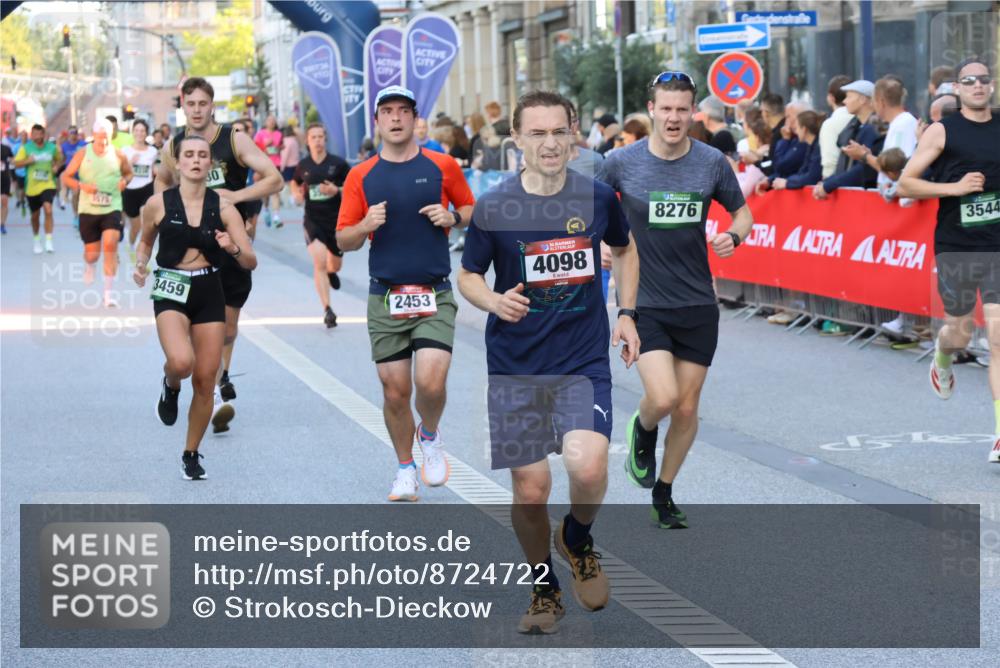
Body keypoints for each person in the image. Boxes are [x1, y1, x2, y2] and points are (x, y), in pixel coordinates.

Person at [457, 90, 640, 635]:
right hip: (516, 363)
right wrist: (493, 301)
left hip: (582, 359)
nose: (550, 143)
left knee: (588, 467)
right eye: (536, 133)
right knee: (532, 490)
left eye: (558, 131)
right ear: (516, 138)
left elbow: (625, 249)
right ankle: (544, 589)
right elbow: (468, 274)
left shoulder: (598, 197)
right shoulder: (494, 206)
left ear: (573, 132)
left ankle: (577, 538)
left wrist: (627, 313)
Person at [598, 71, 754, 528]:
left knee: (687, 407)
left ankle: (664, 492)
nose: (673, 117)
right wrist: (599, 243)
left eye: (682, 109)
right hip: (643, 300)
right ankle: (644, 426)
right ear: (651, 110)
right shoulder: (620, 162)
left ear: (693, 113)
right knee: (664, 397)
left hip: (697, 302)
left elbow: (743, 214)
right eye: (665, 108)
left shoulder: (710, 162)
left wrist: (733, 237)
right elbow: (586, 211)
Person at [336, 85, 475, 501]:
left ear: (415, 118)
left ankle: (428, 435)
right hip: (386, 296)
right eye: (387, 111)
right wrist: (365, 226)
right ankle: (404, 469)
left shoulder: (441, 165)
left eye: (403, 111)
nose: (395, 118)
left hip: (434, 292)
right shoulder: (361, 175)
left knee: (430, 383)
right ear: (377, 121)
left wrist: (452, 216)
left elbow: (471, 210)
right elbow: (343, 239)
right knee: (395, 392)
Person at [155, 77, 283, 429]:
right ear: (183, 106)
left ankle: (219, 376)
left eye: (203, 103)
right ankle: (209, 396)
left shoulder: (233, 139)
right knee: (199, 328)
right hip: (189, 249)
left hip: (230, 243)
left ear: (212, 106)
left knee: (227, 327)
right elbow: (162, 179)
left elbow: (274, 178)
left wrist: (235, 197)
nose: (197, 110)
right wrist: (165, 212)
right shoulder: (175, 144)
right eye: (191, 104)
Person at [134, 134, 257, 480]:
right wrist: (140, 265)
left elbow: (250, 260)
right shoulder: (157, 204)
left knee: (205, 380)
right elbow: (145, 242)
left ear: (210, 163)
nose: (196, 160)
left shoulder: (225, 208)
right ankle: (171, 383)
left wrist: (231, 247)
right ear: (177, 163)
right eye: (188, 154)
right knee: (181, 362)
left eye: (203, 155)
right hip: (170, 287)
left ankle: (190, 453)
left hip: (208, 288)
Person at [897, 58, 1000, 464]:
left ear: (992, 86)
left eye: (984, 79)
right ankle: (943, 357)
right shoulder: (943, 130)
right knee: (958, 332)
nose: (978, 85)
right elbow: (906, 183)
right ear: (957, 88)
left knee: (997, 337)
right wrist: (955, 188)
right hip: (957, 245)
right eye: (969, 80)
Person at [60, 119, 133, 306]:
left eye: (107, 137)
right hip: (88, 209)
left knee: (110, 245)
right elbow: (65, 176)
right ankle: (90, 265)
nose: (104, 141)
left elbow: (129, 173)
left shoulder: (118, 154)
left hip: (112, 207)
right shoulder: (83, 153)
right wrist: (81, 186)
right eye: (100, 137)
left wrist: (124, 182)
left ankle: (108, 295)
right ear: (94, 136)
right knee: (92, 254)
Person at [290, 123, 351, 328]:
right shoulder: (304, 165)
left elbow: (354, 186)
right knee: (319, 263)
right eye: (313, 137)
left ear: (325, 139)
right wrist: (296, 193)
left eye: (320, 136)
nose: (317, 140)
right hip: (313, 220)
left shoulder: (338, 164)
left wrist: (337, 190)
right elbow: (295, 181)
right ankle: (327, 309)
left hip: (336, 220)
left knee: (334, 265)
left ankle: (332, 272)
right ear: (307, 141)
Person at [814, 80, 879, 199]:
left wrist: (828, 185)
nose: (844, 101)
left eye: (849, 97)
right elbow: (847, 167)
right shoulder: (856, 127)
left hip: (865, 198)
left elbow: (862, 169)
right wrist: (827, 183)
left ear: (862, 100)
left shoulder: (872, 129)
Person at [13, 123, 64, 254]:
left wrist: (56, 166)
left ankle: (48, 240)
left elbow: (60, 159)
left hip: (48, 184)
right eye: (33, 134)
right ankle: (36, 239)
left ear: (43, 134)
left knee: (48, 209)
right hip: (32, 187)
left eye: (38, 133)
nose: (35, 136)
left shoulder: (51, 148)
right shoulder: (26, 148)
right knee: (35, 216)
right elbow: (15, 164)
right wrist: (27, 161)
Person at [759, 110, 823, 192]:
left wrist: (787, 183)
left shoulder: (817, 147)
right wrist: (772, 180)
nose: (796, 131)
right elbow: (801, 172)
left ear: (804, 129)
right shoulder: (810, 146)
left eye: (797, 128)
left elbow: (812, 177)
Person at [121, 119, 159, 257]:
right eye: (137, 130)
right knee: (135, 226)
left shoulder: (153, 151)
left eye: (142, 131)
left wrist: (159, 172)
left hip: (146, 188)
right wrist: (130, 163)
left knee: (145, 220)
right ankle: (131, 243)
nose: (139, 133)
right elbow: (120, 172)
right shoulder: (125, 150)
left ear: (146, 133)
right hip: (130, 190)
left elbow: (154, 169)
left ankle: (142, 248)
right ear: (132, 132)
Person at [819, 75, 854, 179]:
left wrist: (826, 183)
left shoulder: (830, 124)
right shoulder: (860, 119)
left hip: (836, 182)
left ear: (831, 97)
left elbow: (830, 162)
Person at [253, 115, 284, 228]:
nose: (272, 122)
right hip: (264, 164)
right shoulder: (260, 134)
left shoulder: (279, 134)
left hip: (276, 164)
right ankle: (266, 209)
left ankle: (276, 217)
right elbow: (254, 147)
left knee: (275, 190)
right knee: (266, 192)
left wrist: (279, 147)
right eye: (269, 120)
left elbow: (281, 146)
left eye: (273, 121)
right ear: (265, 122)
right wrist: (265, 145)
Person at [59, 125, 87, 217]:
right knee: (75, 193)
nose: (73, 135)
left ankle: (83, 212)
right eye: (71, 133)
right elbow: (61, 159)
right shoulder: (64, 146)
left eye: (75, 132)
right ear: (68, 134)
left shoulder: (83, 144)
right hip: (71, 174)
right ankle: (76, 215)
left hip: (83, 173)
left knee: (82, 196)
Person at [279, 125, 300, 198]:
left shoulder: (286, 141)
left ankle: (291, 199)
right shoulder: (294, 140)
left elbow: (285, 155)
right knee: (294, 183)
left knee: (288, 185)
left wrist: (282, 167)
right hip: (296, 164)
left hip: (288, 166)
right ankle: (295, 198)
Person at [1, 140, 11, 235]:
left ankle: (2, 224)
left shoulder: (6, 148)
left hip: (4, 179)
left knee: (4, 201)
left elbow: (13, 160)